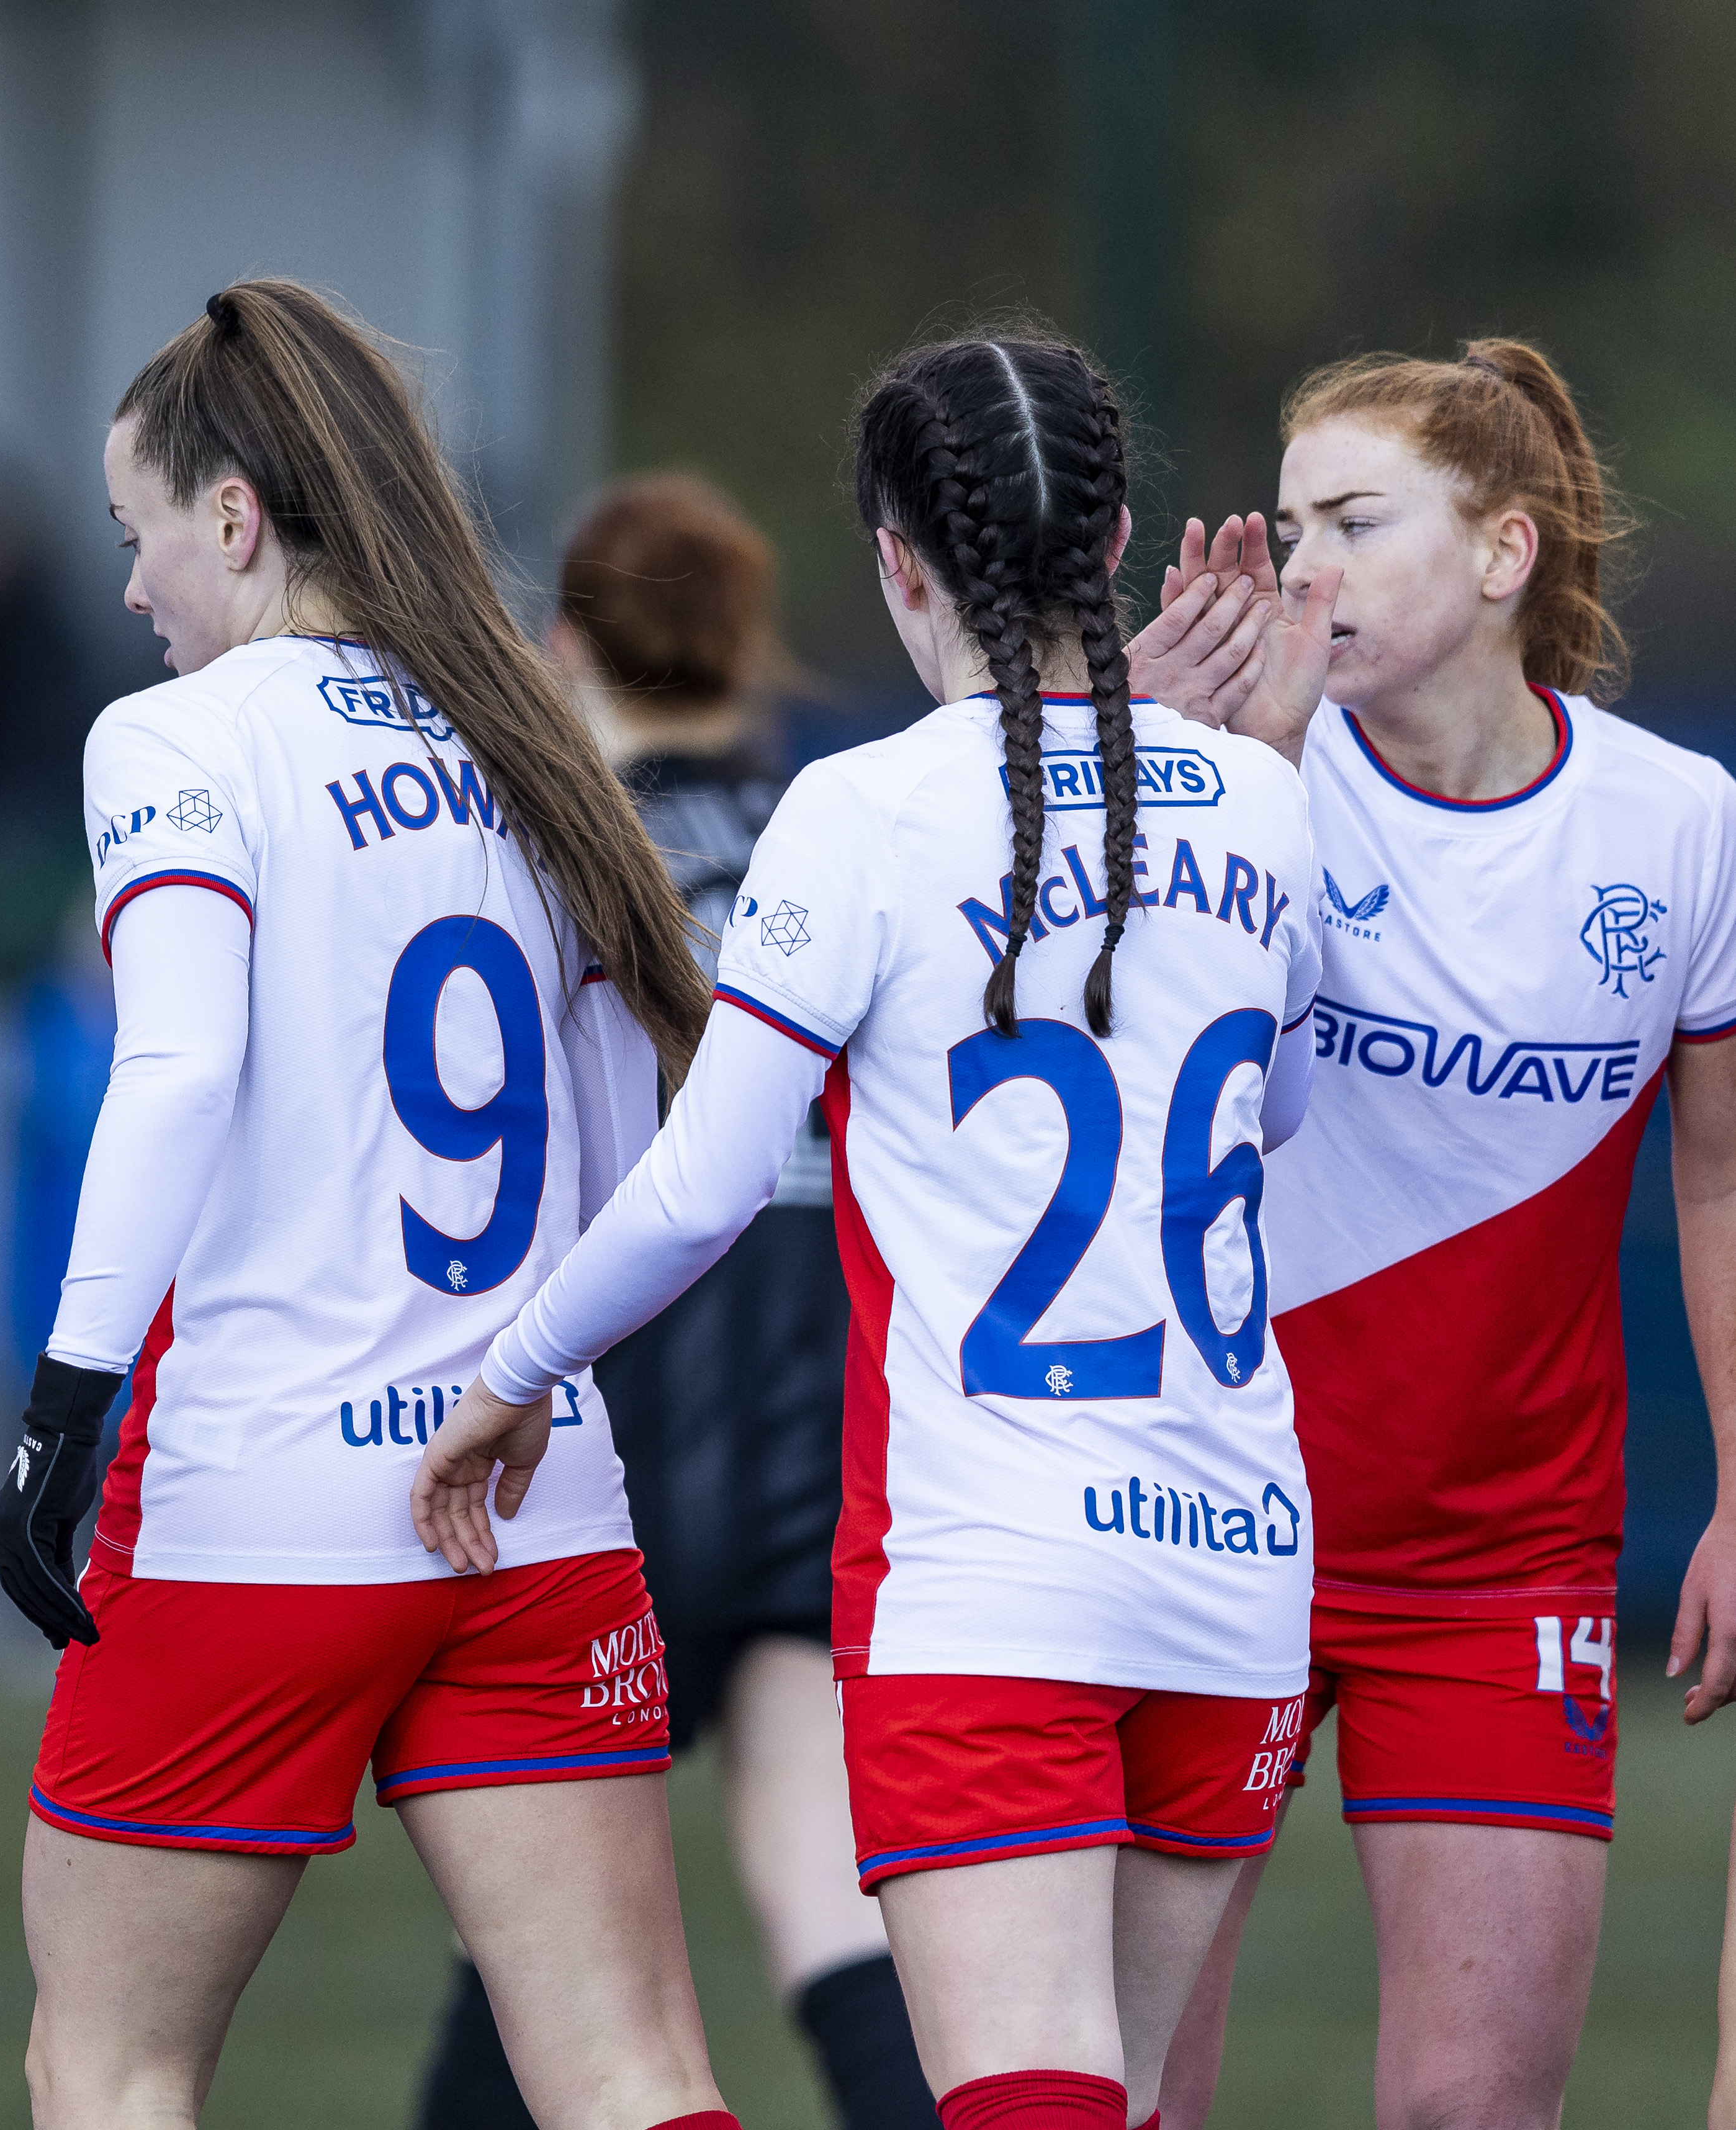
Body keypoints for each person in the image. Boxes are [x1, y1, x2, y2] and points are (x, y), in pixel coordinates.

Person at [415, 331, 1330, 2130]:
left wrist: (511, 1372)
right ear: (1123, 532)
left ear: (898, 562)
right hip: (1233, 1566)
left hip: (993, 1571)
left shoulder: (868, 808)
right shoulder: (1261, 798)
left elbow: (692, 1186)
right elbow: (1273, 1118)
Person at [0, 279, 738, 2130]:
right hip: (526, 1484)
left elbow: (174, 1072)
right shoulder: (528, 732)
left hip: (263, 1503)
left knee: (109, 2064)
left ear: (232, 515)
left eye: (136, 536)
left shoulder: (175, 739)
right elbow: (632, 1119)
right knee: (633, 2074)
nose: (136, 590)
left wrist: (59, 1409)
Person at [1122, 340, 1736, 2130]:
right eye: (1289, 520)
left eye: (1355, 521)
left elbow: (1715, 1178)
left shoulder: (1682, 827)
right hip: (1211, 1512)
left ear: (1500, 554)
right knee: (1127, 2094)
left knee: (1469, 2115)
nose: (1302, 565)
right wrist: (1181, 774)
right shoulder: (1233, 783)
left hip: (1502, 1559)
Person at [413, 474, 934, 2130]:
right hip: (817, 1451)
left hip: (592, 1454)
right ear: (747, 646)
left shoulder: (524, 848)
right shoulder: (835, 838)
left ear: (559, 643)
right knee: (836, 1915)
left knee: (545, 1962)